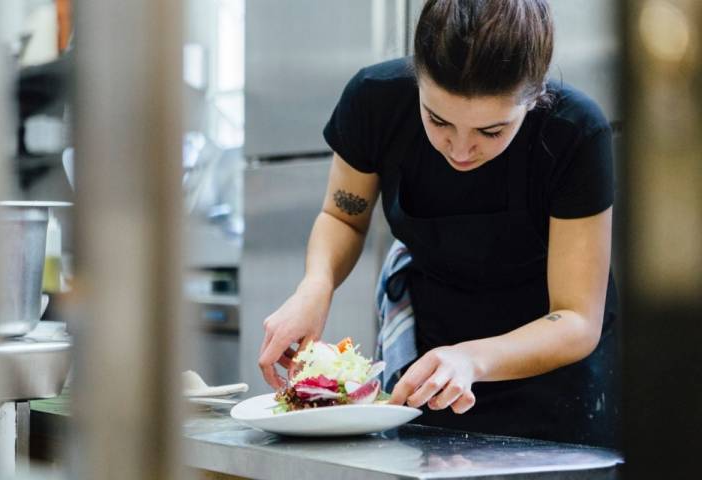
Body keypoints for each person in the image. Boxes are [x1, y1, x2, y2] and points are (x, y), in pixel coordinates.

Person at [258, 0, 619, 448]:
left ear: (535, 95)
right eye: (438, 119)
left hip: (555, 388)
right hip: (431, 374)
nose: (461, 149)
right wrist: (315, 286)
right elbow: (342, 218)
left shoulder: (574, 134)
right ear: (417, 81)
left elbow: (577, 319)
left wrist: (473, 358)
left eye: (491, 131)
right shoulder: (375, 100)